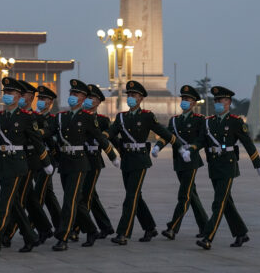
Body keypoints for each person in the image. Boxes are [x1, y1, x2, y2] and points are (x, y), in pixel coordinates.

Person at [0, 77, 54, 256]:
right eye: (5, 93)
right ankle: (30, 236)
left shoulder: (27, 118)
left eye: (11, 93)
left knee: (4, 204)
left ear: (19, 96)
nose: (7, 96)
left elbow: (37, 142)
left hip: (19, 165)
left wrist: (46, 162)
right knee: (16, 202)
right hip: (3, 165)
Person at [49, 79, 120, 251]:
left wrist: (112, 155)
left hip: (80, 163)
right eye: (71, 93)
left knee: (69, 200)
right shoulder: (61, 117)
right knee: (77, 200)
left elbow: (100, 137)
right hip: (65, 162)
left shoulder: (87, 118)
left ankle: (63, 236)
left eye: (77, 94)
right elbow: (48, 132)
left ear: (83, 98)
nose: (73, 96)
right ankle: (92, 230)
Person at [195, 86, 260, 250]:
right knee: (226, 202)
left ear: (228, 102)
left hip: (228, 166)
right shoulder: (209, 122)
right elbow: (201, 141)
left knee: (218, 203)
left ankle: (208, 237)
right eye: (216, 101)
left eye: (220, 100)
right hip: (214, 165)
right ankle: (241, 233)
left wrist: (258, 165)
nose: (217, 103)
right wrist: (191, 148)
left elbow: (248, 144)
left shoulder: (235, 122)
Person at [106, 80, 174, 246]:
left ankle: (123, 233)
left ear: (141, 98)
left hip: (140, 160)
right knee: (136, 196)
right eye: (129, 95)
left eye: (134, 95)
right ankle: (149, 227)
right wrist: (100, 138)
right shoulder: (121, 117)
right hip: (127, 159)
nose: (130, 97)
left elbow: (164, 133)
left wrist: (180, 147)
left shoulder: (147, 116)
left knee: (130, 197)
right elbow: (110, 133)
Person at [151, 85, 208, 240]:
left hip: (191, 160)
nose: (184, 101)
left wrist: (193, 149)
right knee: (192, 194)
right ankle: (206, 227)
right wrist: (158, 147)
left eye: (188, 99)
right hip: (179, 161)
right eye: (183, 99)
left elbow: (202, 139)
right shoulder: (174, 120)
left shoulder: (199, 120)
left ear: (194, 103)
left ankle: (173, 228)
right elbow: (168, 136)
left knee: (184, 195)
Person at [3, 80, 55, 246]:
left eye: (21, 94)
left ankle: (8, 234)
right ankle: (45, 228)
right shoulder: (13, 116)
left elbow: (48, 133)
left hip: (32, 162)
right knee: (29, 198)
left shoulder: (35, 117)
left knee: (19, 198)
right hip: (19, 161)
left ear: (29, 98)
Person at [73, 84, 116, 245]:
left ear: (98, 102)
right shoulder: (77, 116)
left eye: (92, 98)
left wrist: (119, 154)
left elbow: (110, 137)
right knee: (90, 195)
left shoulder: (103, 120)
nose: (88, 100)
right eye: (87, 97)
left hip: (93, 160)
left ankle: (77, 229)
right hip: (78, 159)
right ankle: (105, 226)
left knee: (84, 196)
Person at [32, 85, 62, 233]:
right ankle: (61, 226)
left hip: (48, 160)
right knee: (48, 194)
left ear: (50, 102)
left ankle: (37, 229)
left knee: (38, 195)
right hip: (34, 159)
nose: (41, 101)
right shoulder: (31, 117)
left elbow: (49, 135)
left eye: (44, 99)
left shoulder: (53, 119)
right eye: (40, 98)